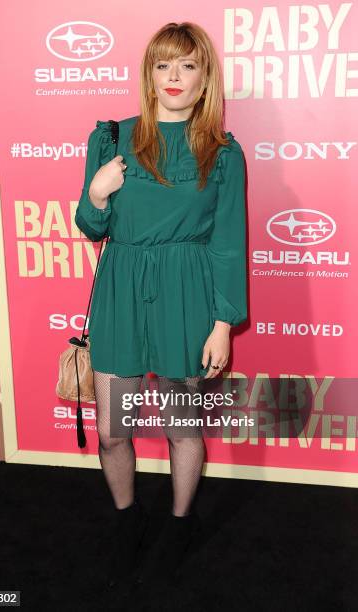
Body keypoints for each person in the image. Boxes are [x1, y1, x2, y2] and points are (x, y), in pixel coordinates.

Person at [75, 22, 247, 589]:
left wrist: (223, 322)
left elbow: (227, 241)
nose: (174, 78)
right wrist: (97, 194)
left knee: (180, 426)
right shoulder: (111, 138)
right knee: (111, 429)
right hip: (122, 286)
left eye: (188, 66)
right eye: (162, 65)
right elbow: (92, 225)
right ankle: (127, 520)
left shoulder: (221, 153)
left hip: (187, 290)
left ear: (204, 80)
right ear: (149, 75)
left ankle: (179, 523)